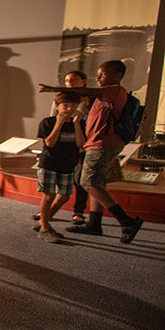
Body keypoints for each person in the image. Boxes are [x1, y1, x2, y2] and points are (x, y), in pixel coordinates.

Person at [40, 59, 142, 243]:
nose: (98, 77)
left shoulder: (115, 90)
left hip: (102, 144)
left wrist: (55, 89)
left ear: (117, 76)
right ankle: (94, 223)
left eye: (103, 74)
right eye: (98, 74)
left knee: (88, 182)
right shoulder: (104, 96)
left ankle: (127, 222)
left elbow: (87, 91)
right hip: (96, 143)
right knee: (97, 182)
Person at [33, 70, 89, 225]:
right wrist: (58, 123)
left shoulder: (81, 118)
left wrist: (77, 124)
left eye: (73, 106)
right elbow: (50, 143)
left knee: (65, 194)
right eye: (65, 105)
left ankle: (48, 217)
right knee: (48, 194)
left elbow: (80, 144)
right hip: (50, 161)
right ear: (57, 106)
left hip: (69, 162)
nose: (69, 109)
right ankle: (44, 225)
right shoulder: (48, 122)